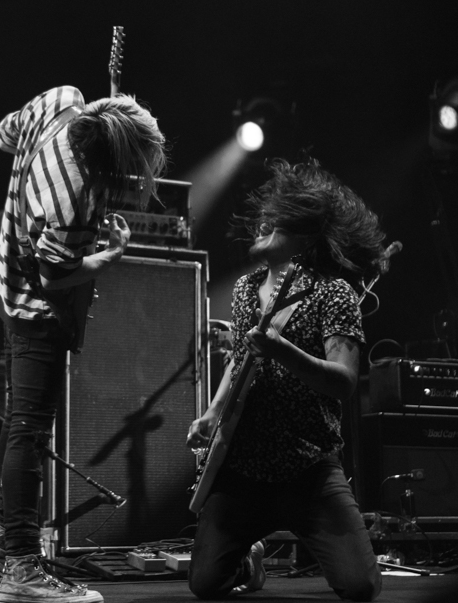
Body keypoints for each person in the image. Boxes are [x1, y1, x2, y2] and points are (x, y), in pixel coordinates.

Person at [0, 85, 167, 603]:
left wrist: (28, 185)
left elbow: (4, 135)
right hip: (34, 308)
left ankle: (4, 538)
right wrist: (110, 256)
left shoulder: (61, 99)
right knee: (30, 431)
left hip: (3, 281)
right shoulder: (74, 195)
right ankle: (21, 569)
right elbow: (55, 275)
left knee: (21, 421)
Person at [186, 157, 385, 601]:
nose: (262, 223)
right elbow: (239, 361)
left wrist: (283, 350)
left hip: (308, 468)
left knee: (360, 587)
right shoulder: (244, 289)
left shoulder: (333, 293)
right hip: (244, 468)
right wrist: (212, 413)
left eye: (276, 220)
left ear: (305, 235)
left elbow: (344, 381)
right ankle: (249, 555)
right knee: (205, 585)